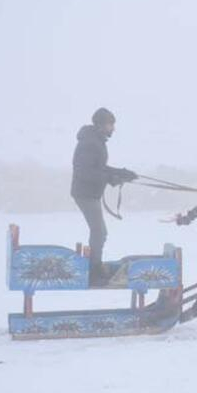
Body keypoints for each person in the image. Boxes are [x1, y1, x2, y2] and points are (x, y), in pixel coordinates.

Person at [71, 107, 137, 282]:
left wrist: (122, 173)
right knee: (99, 231)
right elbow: (84, 172)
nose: (113, 128)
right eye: (110, 124)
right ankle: (94, 270)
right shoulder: (90, 143)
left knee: (100, 232)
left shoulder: (95, 141)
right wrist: (111, 178)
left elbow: (98, 168)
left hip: (90, 193)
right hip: (85, 194)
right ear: (101, 125)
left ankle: (95, 266)